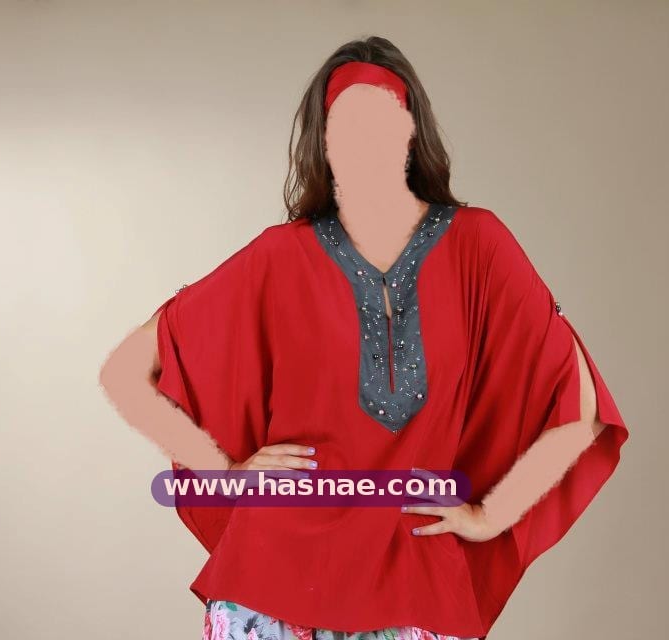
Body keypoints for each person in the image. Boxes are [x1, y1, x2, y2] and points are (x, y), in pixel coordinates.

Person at [99, 36, 629, 640]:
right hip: (270, 590)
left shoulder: (478, 247)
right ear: (323, 143)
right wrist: (224, 473)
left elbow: (580, 411)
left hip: (417, 587)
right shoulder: (280, 256)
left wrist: (491, 516)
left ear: (412, 132)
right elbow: (126, 371)